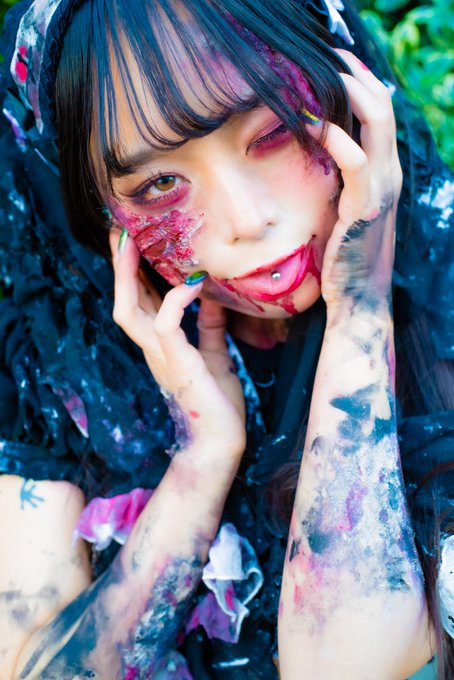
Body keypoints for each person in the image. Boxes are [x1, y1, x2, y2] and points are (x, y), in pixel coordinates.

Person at [0, 0, 453, 677]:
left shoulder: (442, 303)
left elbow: (341, 667)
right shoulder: (68, 363)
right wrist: (201, 463)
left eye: (274, 131)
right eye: (160, 182)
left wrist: (361, 308)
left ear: (354, 95)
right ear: (98, 211)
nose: (247, 219)